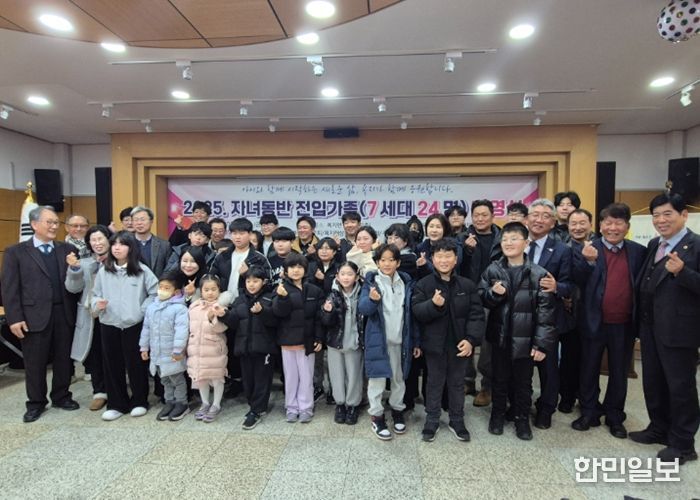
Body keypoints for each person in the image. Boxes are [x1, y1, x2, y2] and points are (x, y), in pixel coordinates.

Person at [630, 193, 700, 465]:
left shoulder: (696, 245)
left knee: (681, 388)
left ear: (684, 215)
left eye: (667, 214)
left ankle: (683, 444)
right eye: (656, 215)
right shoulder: (654, 244)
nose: (661, 220)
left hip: (679, 330)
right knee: (654, 382)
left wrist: (683, 272)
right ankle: (659, 428)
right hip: (650, 328)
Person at [571, 203, 646, 439]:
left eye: (618, 223)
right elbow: (576, 281)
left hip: (624, 323)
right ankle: (589, 412)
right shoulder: (587, 248)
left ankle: (615, 416)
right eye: (608, 223)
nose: (613, 228)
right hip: (593, 321)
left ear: (627, 226)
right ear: (600, 225)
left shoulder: (638, 251)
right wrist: (589, 262)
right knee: (589, 369)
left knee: (619, 372)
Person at [1, 206, 80, 423]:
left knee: (64, 359)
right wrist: (14, 318)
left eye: (56, 222)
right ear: (34, 224)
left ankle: (61, 396)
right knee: (35, 362)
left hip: (64, 313)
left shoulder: (67, 249)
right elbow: (9, 288)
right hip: (32, 315)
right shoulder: (16, 252)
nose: (54, 226)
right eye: (49, 222)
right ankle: (36, 403)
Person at [479, 222, 556, 440]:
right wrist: (493, 294)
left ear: (526, 243)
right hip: (500, 337)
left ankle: (522, 418)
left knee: (523, 382)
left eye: (514, 239)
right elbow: (481, 297)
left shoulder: (539, 274)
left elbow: (546, 314)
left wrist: (541, 344)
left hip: (526, 340)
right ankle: (497, 415)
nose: (509, 243)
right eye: (505, 239)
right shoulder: (493, 269)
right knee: (499, 378)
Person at [412, 238, 485, 442]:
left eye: (448, 256)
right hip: (434, 345)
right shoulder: (424, 284)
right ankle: (432, 420)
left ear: (456, 259)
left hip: (460, 345)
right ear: (432, 259)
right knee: (434, 384)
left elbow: (476, 316)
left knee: (456, 383)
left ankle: (457, 420)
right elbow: (417, 312)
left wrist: (471, 340)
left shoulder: (467, 285)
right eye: (439, 256)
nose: (444, 260)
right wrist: (433, 305)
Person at [92, 230, 158, 421]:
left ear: (131, 248)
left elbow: (155, 294)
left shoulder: (142, 270)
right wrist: (97, 304)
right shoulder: (104, 270)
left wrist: (141, 310)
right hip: (109, 323)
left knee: (136, 364)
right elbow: (94, 295)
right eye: (114, 244)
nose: (117, 248)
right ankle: (116, 404)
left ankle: (139, 401)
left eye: (122, 244)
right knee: (112, 365)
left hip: (134, 324)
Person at [359, 243, 418, 440]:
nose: (387, 264)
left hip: (401, 341)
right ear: (377, 262)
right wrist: (373, 300)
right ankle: (376, 416)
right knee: (376, 380)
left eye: (391, 260)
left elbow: (411, 315)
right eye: (382, 260)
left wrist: (415, 341)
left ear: (398, 262)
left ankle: (397, 410)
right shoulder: (372, 282)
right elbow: (363, 308)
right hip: (379, 341)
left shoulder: (406, 282)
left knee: (398, 379)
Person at [526, 198, 573, 430]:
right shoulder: (516, 244)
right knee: (521, 366)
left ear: (553, 222)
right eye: (535, 215)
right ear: (527, 219)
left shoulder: (563, 250)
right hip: (520, 317)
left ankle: (546, 409)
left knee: (548, 368)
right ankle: (521, 405)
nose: (539, 220)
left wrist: (557, 287)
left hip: (549, 319)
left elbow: (571, 285)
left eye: (545, 216)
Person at [458, 199, 502, 405]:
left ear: (493, 216)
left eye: (484, 215)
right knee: (465, 337)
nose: (480, 219)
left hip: (492, 296)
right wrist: (466, 251)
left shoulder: (502, 238)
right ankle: (467, 380)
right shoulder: (462, 238)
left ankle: (487, 386)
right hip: (467, 295)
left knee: (487, 343)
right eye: (476, 215)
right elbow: (455, 266)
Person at [272, 253, 324, 423]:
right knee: (291, 377)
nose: (296, 270)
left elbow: (318, 318)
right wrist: (282, 298)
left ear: (305, 270)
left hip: (307, 341)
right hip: (287, 340)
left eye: (299, 267)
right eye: (292, 267)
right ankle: (291, 407)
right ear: (286, 270)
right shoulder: (280, 289)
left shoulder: (314, 290)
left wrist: (319, 338)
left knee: (306, 377)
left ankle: (306, 408)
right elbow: (278, 313)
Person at [64, 224, 111, 411]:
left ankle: (117, 389)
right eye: (93, 240)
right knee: (94, 355)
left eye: (100, 239)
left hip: (114, 315)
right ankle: (99, 392)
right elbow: (72, 288)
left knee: (113, 354)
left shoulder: (119, 260)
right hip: (91, 317)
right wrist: (74, 270)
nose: (97, 243)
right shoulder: (83, 263)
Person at [227, 266, 276, 429]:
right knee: (248, 381)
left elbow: (275, 321)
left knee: (262, 380)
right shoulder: (240, 300)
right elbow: (233, 323)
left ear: (263, 282)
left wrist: (262, 312)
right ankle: (253, 406)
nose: (251, 284)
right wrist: (223, 315)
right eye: (248, 281)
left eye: (255, 281)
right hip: (244, 347)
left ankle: (257, 410)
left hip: (264, 348)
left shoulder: (270, 297)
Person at [139, 271, 190, 421]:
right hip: (157, 352)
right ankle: (170, 402)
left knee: (177, 379)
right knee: (165, 379)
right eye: (160, 287)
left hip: (172, 352)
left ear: (176, 291)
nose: (162, 290)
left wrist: (178, 349)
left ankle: (182, 403)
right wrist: (144, 347)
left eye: (167, 288)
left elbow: (182, 331)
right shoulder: (152, 307)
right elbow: (146, 329)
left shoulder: (180, 309)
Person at [321, 261, 364, 425]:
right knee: (336, 375)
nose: (346, 278)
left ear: (356, 277)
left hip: (355, 342)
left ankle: (352, 405)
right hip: (335, 342)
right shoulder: (332, 295)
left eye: (350, 274)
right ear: (337, 277)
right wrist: (327, 312)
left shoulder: (363, 293)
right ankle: (340, 404)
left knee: (354, 375)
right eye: (343, 274)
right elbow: (325, 322)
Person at [187, 274, 230, 423]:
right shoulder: (194, 307)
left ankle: (216, 404)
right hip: (196, 349)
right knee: (201, 378)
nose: (210, 293)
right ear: (201, 291)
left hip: (214, 349)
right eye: (206, 290)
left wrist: (212, 317)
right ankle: (205, 403)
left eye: (213, 289)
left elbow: (221, 328)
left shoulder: (221, 307)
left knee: (217, 378)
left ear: (219, 290)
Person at [131, 206, 172, 279]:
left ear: (151, 221)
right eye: (136, 220)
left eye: (142, 219)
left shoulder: (164, 245)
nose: (139, 223)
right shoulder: (126, 243)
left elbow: (168, 270)